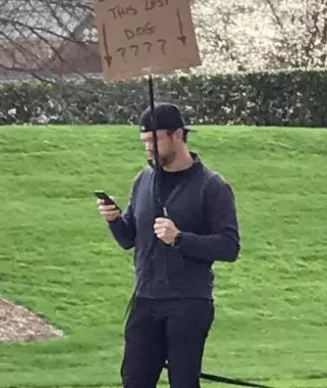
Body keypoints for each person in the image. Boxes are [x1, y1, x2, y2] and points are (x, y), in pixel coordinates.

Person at [97, 102, 240, 388]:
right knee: (134, 380)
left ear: (177, 135)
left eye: (153, 140)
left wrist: (180, 238)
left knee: (183, 383)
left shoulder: (212, 186)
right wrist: (114, 221)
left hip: (189, 302)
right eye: (144, 142)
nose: (148, 148)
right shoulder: (144, 180)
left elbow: (229, 246)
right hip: (146, 299)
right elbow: (129, 239)